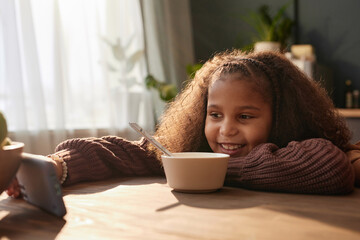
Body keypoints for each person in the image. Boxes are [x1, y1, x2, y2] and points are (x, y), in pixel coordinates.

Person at [6, 49, 358, 198]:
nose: (226, 129)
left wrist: (203, 169)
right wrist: (59, 165)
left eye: (245, 117)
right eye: (215, 115)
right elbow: (124, 151)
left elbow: (329, 166)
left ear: (282, 117)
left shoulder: (308, 152)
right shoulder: (187, 149)